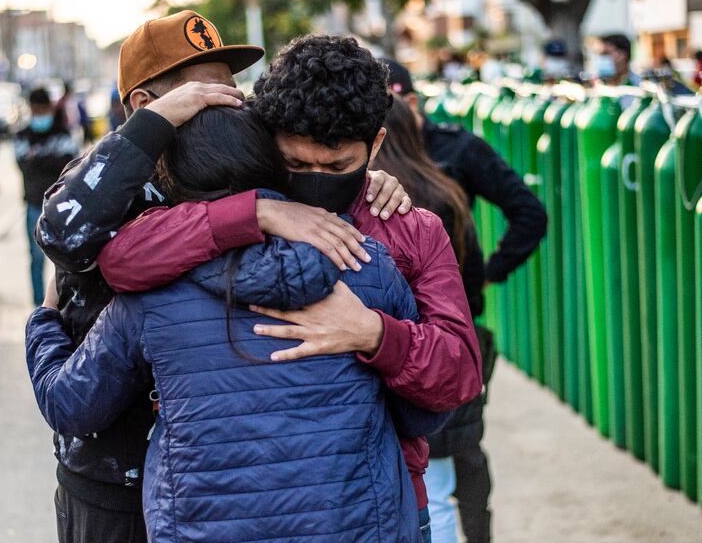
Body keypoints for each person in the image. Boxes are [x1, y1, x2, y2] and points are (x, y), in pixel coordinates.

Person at [32, 11, 413, 543]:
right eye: (202, 95)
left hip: (208, 488)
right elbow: (64, 233)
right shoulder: (107, 178)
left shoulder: (245, 168)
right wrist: (241, 210)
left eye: (231, 89)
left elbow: (318, 168)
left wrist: (366, 180)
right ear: (147, 107)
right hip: (114, 480)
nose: (232, 103)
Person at [91, 35, 485, 542]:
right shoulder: (226, 200)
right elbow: (123, 258)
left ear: (376, 145)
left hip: (381, 510)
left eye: (338, 167)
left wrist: (374, 334)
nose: (317, 180)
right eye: (296, 165)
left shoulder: (408, 228)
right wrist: (252, 212)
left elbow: (459, 375)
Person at [383, 59, 547, 543]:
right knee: (437, 469)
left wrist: (488, 275)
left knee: (455, 463)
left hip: (448, 331)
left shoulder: (454, 154)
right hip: (408, 339)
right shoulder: (364, 175)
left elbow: (528, 213)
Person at [374, 97, 496, 543]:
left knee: (435, 492)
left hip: (405, 372)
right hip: (447, 349)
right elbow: (476, 274)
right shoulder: (442, 191)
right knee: (451, 480)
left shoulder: (364, 210)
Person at [14, 88, 78, 305]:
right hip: (34, 204)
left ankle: (63, 303)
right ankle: (39, 305)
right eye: (36, 110)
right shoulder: (23, 134)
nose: (40, 114)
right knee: (35, 257)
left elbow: (69, 163)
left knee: (64, 258)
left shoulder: (62, 132)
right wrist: (51, 159)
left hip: (61, 205)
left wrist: (38, 159)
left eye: (44, 109)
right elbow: (24, 165)